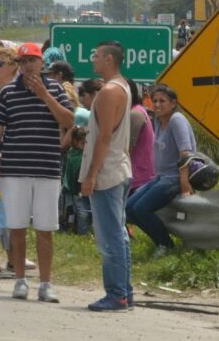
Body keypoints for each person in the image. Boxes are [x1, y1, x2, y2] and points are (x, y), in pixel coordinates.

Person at [0, 41, 73, 304]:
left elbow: (68, 122)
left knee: (45, 229)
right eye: (22, 62)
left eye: (32, 61)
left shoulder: (55, 88)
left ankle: (46, 283)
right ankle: (20, 279)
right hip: (14, 168)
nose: (27, 66)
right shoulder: (8, 92)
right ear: (17, 66)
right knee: (17, 227)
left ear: (41, 63)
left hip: (46, 168)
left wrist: (45, 95)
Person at [80, 41, 134, 312]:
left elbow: (104, 137)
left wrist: (91, 175)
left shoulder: (109, 92)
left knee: (110, 237)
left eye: (97, 56)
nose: (93, 60)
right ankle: (125, 293)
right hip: (118, 168)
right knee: (119, 234)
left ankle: (116, 295)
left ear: (110, 60)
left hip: (108, 172)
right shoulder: (122, 87)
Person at [126, 84, 196, 258]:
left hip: (175, 178)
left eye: (162, 101)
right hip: (160, 177)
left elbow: (185, 153)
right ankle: (160, 239)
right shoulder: (158, 120)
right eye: (155, 100)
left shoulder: (176, 120)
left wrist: (184, 183)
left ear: (173, 103)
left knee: (142, 208)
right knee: (128, 208)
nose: (157, 104)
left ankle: (165, 244)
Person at [61, 127, 91, 234]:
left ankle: (82, 231)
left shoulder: (85, 155)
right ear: (75, 142)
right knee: (79, 212)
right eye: (83, 143)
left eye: (87, 144)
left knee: (83, 212)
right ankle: (82, 232)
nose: (85, 147)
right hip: (75, 190)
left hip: (82, 189)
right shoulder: (74, 155)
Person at [128, 82, 156, 194]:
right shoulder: (136, 110)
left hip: (140, 177)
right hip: (139, 175)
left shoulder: (135, 114)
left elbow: (127, 150)